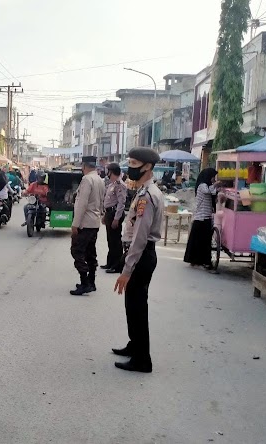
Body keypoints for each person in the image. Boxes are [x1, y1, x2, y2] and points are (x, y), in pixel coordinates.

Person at [113, 147, 163, 373]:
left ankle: (142, 360)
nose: (129, 168)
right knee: (132, 305)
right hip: (139, 254)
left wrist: (127, 269)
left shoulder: (147, 196)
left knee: (137, 308)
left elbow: (140, 238)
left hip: (141, 256)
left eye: (134, 164)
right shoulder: (144, 191)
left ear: (147, 167)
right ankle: (135, 346)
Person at [70, 156, 106, 295]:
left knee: (77, 251)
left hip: (85, 222)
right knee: (90, 253)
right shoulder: (99, 179)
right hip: (94, 222)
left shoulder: (87, 179)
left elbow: (82, 204)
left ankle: (85, 283)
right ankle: (91, 282)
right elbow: (102, 202)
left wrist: (75, 224)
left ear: (84, 166)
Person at [183, 168, 219, 269]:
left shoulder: (206, 185)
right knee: (204, 242)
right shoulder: (203, 185)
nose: (213, 179)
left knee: (198, 241)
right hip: (202, 218)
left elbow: (213, 193)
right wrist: (216, 185)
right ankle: (204, 262)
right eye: (213, 177)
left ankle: (196, 261)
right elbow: (208, 191)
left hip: (203, 217)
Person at [101, 163, 127, 274]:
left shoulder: (119, 185)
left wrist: (116, 218)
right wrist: (104, 215)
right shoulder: (112, 184)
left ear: (112, 171)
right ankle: (110, 262)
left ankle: (117, 266)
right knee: (110, 240)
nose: (107, 173)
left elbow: (121, 203)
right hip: (109, 213)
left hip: (115, 214)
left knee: (116, 241)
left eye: (108, 171)